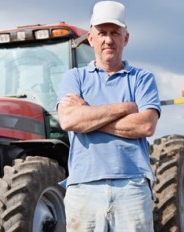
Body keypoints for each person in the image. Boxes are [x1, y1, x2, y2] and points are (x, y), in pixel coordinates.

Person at [56, 1, 161, 231]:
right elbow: (68, 121)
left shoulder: (142, 79)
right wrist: (125, 108)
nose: (108, 39)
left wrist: (88, 117)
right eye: (102, 33)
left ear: (126, 38)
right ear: (91, 38)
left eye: (115, 33)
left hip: (132, 186)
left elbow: (146, 126)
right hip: (83, 187)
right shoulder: (74, 78)